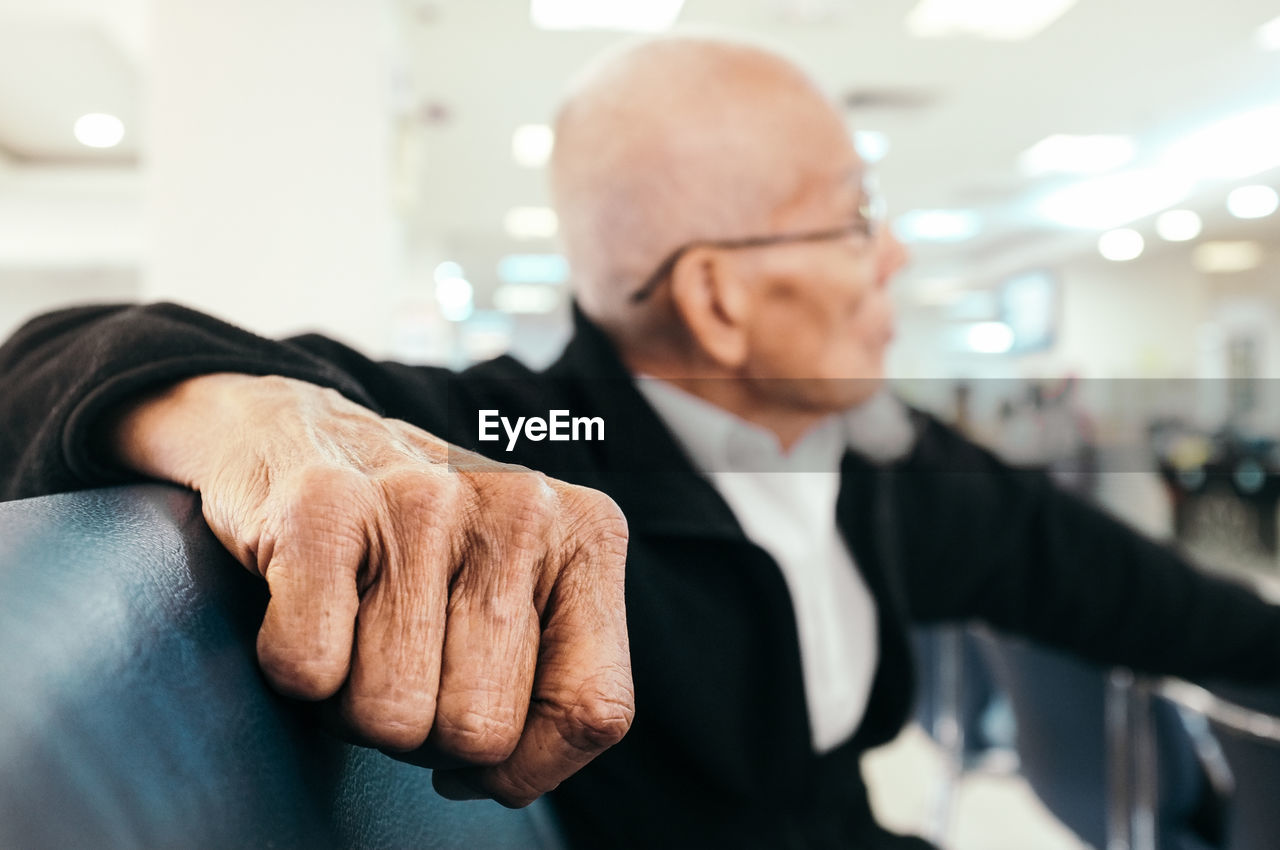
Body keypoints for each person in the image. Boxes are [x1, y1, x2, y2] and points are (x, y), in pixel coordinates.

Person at [2, 36, 1279, 849]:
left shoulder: (884, 462)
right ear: (719, 295)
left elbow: (1164, 610)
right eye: (853, 221)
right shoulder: (537, 441)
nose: (891, 258)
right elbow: (58, 359)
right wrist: (261, 419)